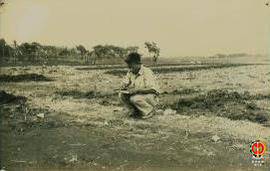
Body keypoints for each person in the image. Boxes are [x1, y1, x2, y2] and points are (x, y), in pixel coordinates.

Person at [119, 52, 161, 119]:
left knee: (135, 99)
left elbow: (153, 89)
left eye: (131, 65)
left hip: (152, 96)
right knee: (122, 95)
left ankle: (149, 111)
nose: (129, 68)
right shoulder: (131, 72)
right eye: (128, 66)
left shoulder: (147, 72)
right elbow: (125, 82)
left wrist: (137, 90)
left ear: (137, 63)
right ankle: (134, 111)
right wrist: (124, 86)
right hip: (140, 95)